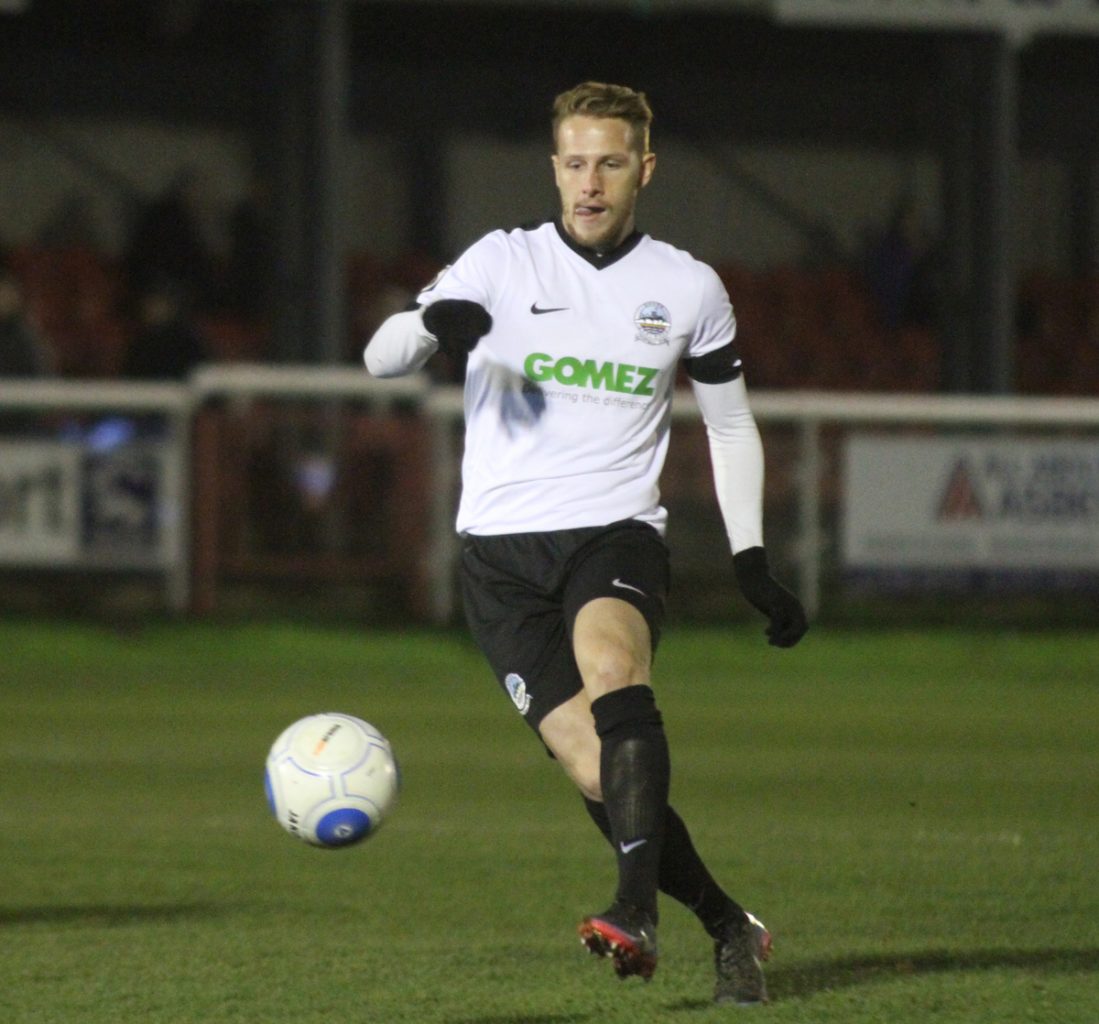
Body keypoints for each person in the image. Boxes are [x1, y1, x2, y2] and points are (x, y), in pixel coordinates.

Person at [364, 81, 807, 1006]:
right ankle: (728, 925)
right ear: (554, 166)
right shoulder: (500, 262)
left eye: (609, 163)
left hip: (613, 533)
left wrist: (750, 559)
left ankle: (632, 911)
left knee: (615, 670)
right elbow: (380, 357)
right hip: (496, 556)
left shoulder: (687, 287)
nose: (590, 183)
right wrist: (429, 324)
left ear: (643, 169)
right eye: (574, 163)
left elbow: (729, 426)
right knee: (592, 766)